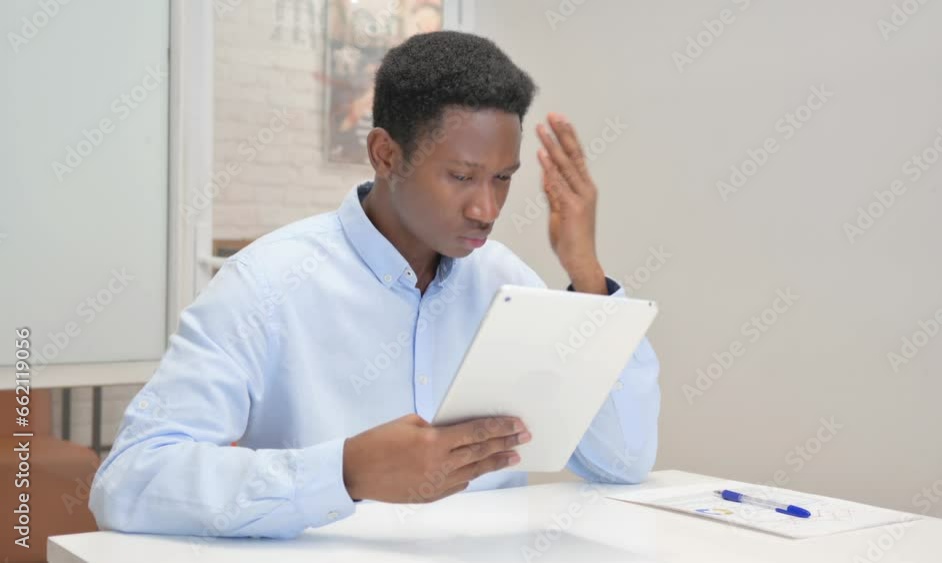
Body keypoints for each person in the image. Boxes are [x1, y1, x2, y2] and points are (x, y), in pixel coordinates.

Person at [89, 30, 660, 539]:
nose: (486, 209)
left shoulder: (506, 281)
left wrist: (585, 275)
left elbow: (622, 463)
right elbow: (130, 481)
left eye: (503, 179)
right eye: (461, 176)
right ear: (386, 154)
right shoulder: (265, 284)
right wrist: (345, 472)